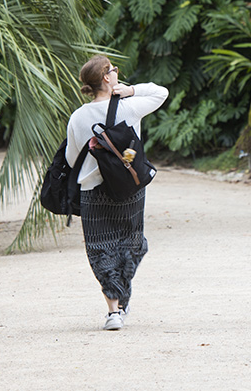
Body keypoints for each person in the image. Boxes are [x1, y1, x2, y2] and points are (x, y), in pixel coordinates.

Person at [66, 55, 168, 331]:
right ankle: (121, 297)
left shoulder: (78, 117)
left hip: (92, 190)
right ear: (107, 79)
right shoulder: (130, 107)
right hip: (128, 188)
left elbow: (72, 155)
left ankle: (114, 311)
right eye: (113, 70)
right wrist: (131, 90)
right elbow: (161, 92)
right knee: (131, 243)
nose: (117, 73)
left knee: (100, 249)